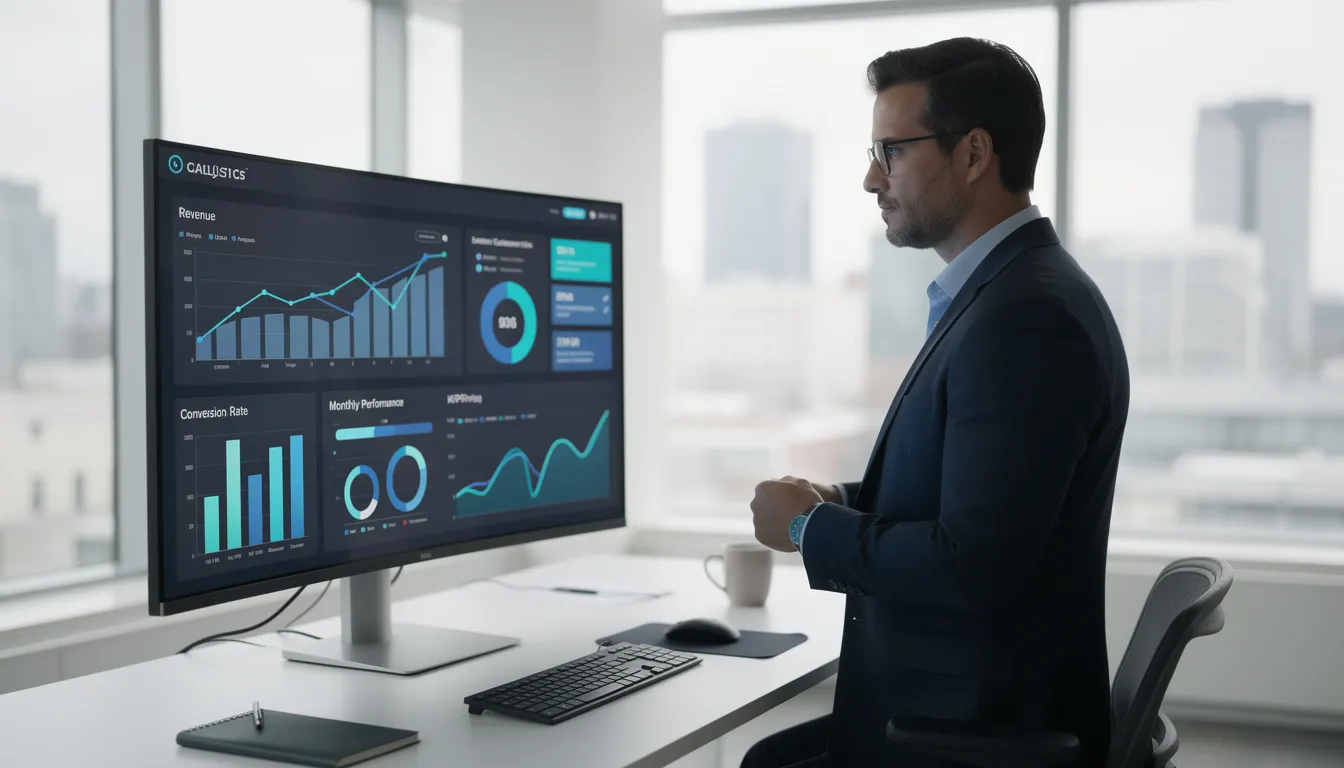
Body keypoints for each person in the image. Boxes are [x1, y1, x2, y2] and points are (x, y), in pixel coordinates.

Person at [743, 37, 1129, 767]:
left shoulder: (1024, 319)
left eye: (890, 152)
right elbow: (978, 498)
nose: (869, 178)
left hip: (971, 731)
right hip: (957, 705)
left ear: (974, 153)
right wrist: (837, 499)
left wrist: (811, 531)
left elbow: (971, 564)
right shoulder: (1004, 295)